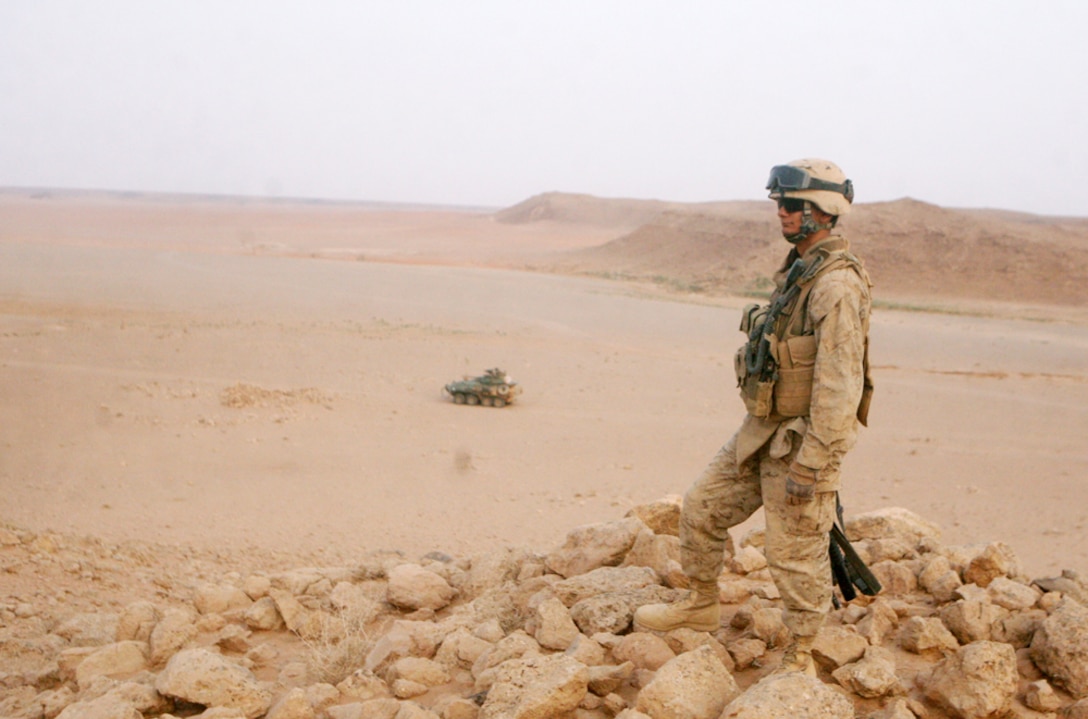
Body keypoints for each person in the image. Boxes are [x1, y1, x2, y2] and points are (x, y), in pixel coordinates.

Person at [633, 158, 873, 677]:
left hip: (801, 444)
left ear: (823, 212)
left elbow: (839, 388)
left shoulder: (836, 286)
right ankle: (699, 602)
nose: (782, 213)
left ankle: (802, 653)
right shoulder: (799, 270)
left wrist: (813, 464)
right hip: (762, 430)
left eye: (792, 205)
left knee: (794, 554)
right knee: (701, 505)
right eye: (781, 204)